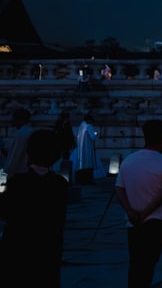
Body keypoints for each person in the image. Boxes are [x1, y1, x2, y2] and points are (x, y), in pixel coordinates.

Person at [0, 129, 69, 287]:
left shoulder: (18, 182)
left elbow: (5, 212)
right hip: (48, 249)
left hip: (18, 249)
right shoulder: (60, 184)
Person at [116, 119, 162, 288]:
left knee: (135, 263)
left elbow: (119, 189)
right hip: (156, 220)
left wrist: (130, 211)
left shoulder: (128, 161)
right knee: (148, 264)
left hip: (132, 220)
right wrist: (146, 212)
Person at [72, 114, 106, 185]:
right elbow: (92, 137)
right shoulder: (89, 126)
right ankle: (89, 180)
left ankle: (81, 180)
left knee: (82, 165)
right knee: (89, 164)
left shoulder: (81, 126)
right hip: (88, 149)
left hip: (81, 149)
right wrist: (96, 133)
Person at [4, 108, 33, 175]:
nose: (13, 121)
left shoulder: (21, 133)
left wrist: (9, 169)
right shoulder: (28, 131)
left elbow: (16, 154)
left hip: (18, 170)